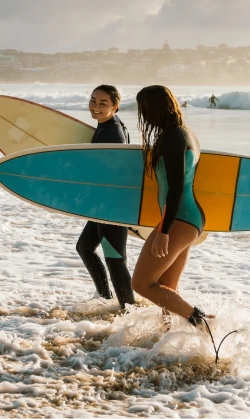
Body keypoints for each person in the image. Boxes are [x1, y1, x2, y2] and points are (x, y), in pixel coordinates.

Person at [130, 85, 209, 326]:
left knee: (142, 283)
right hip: (186, 218)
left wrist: (163, 232)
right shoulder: (182, 133)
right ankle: (169, 337)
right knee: (166, 287)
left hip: (180, 219)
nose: (142, 115)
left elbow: (175, 189)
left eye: (143, 109)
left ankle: (202, 321)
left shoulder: (174, 137)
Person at [76, 85, 135, 309]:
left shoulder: (112, 133)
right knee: (85, 247)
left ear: (115, 107)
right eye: (93, 101)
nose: (96, 107)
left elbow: (114, 173)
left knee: (115, 259)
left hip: (111, 206)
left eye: (103, 103)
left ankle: (128, 311)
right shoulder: (109, 126)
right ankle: (105, 298)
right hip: (104, 204)